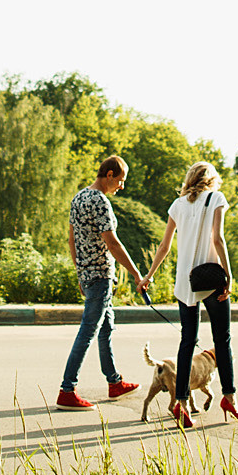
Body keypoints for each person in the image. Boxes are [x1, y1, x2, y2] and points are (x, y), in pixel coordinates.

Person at [143, 160, 238, 429]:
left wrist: (149, 276)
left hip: (186, 282)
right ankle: (229, 398)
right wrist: (229, 275)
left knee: (187, 341)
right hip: (210, 279)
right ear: (212, 180)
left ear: (190, 179)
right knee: (222, 340)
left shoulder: (178, 205)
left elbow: (164, 245)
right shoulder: (216, 198)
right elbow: (217, 239)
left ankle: (182, 403)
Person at [56, 155, 149, 411]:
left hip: (88, 275)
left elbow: (72, 239)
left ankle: (114, 382)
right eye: (120, 180)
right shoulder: (99, 201)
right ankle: (67, 390)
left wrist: (80, 272)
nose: (122, 186)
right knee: (88, 331)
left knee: (105, 329)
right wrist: (136, 274)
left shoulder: (79, 197)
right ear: (109, 175)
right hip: (100, 277)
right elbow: (113, 243)